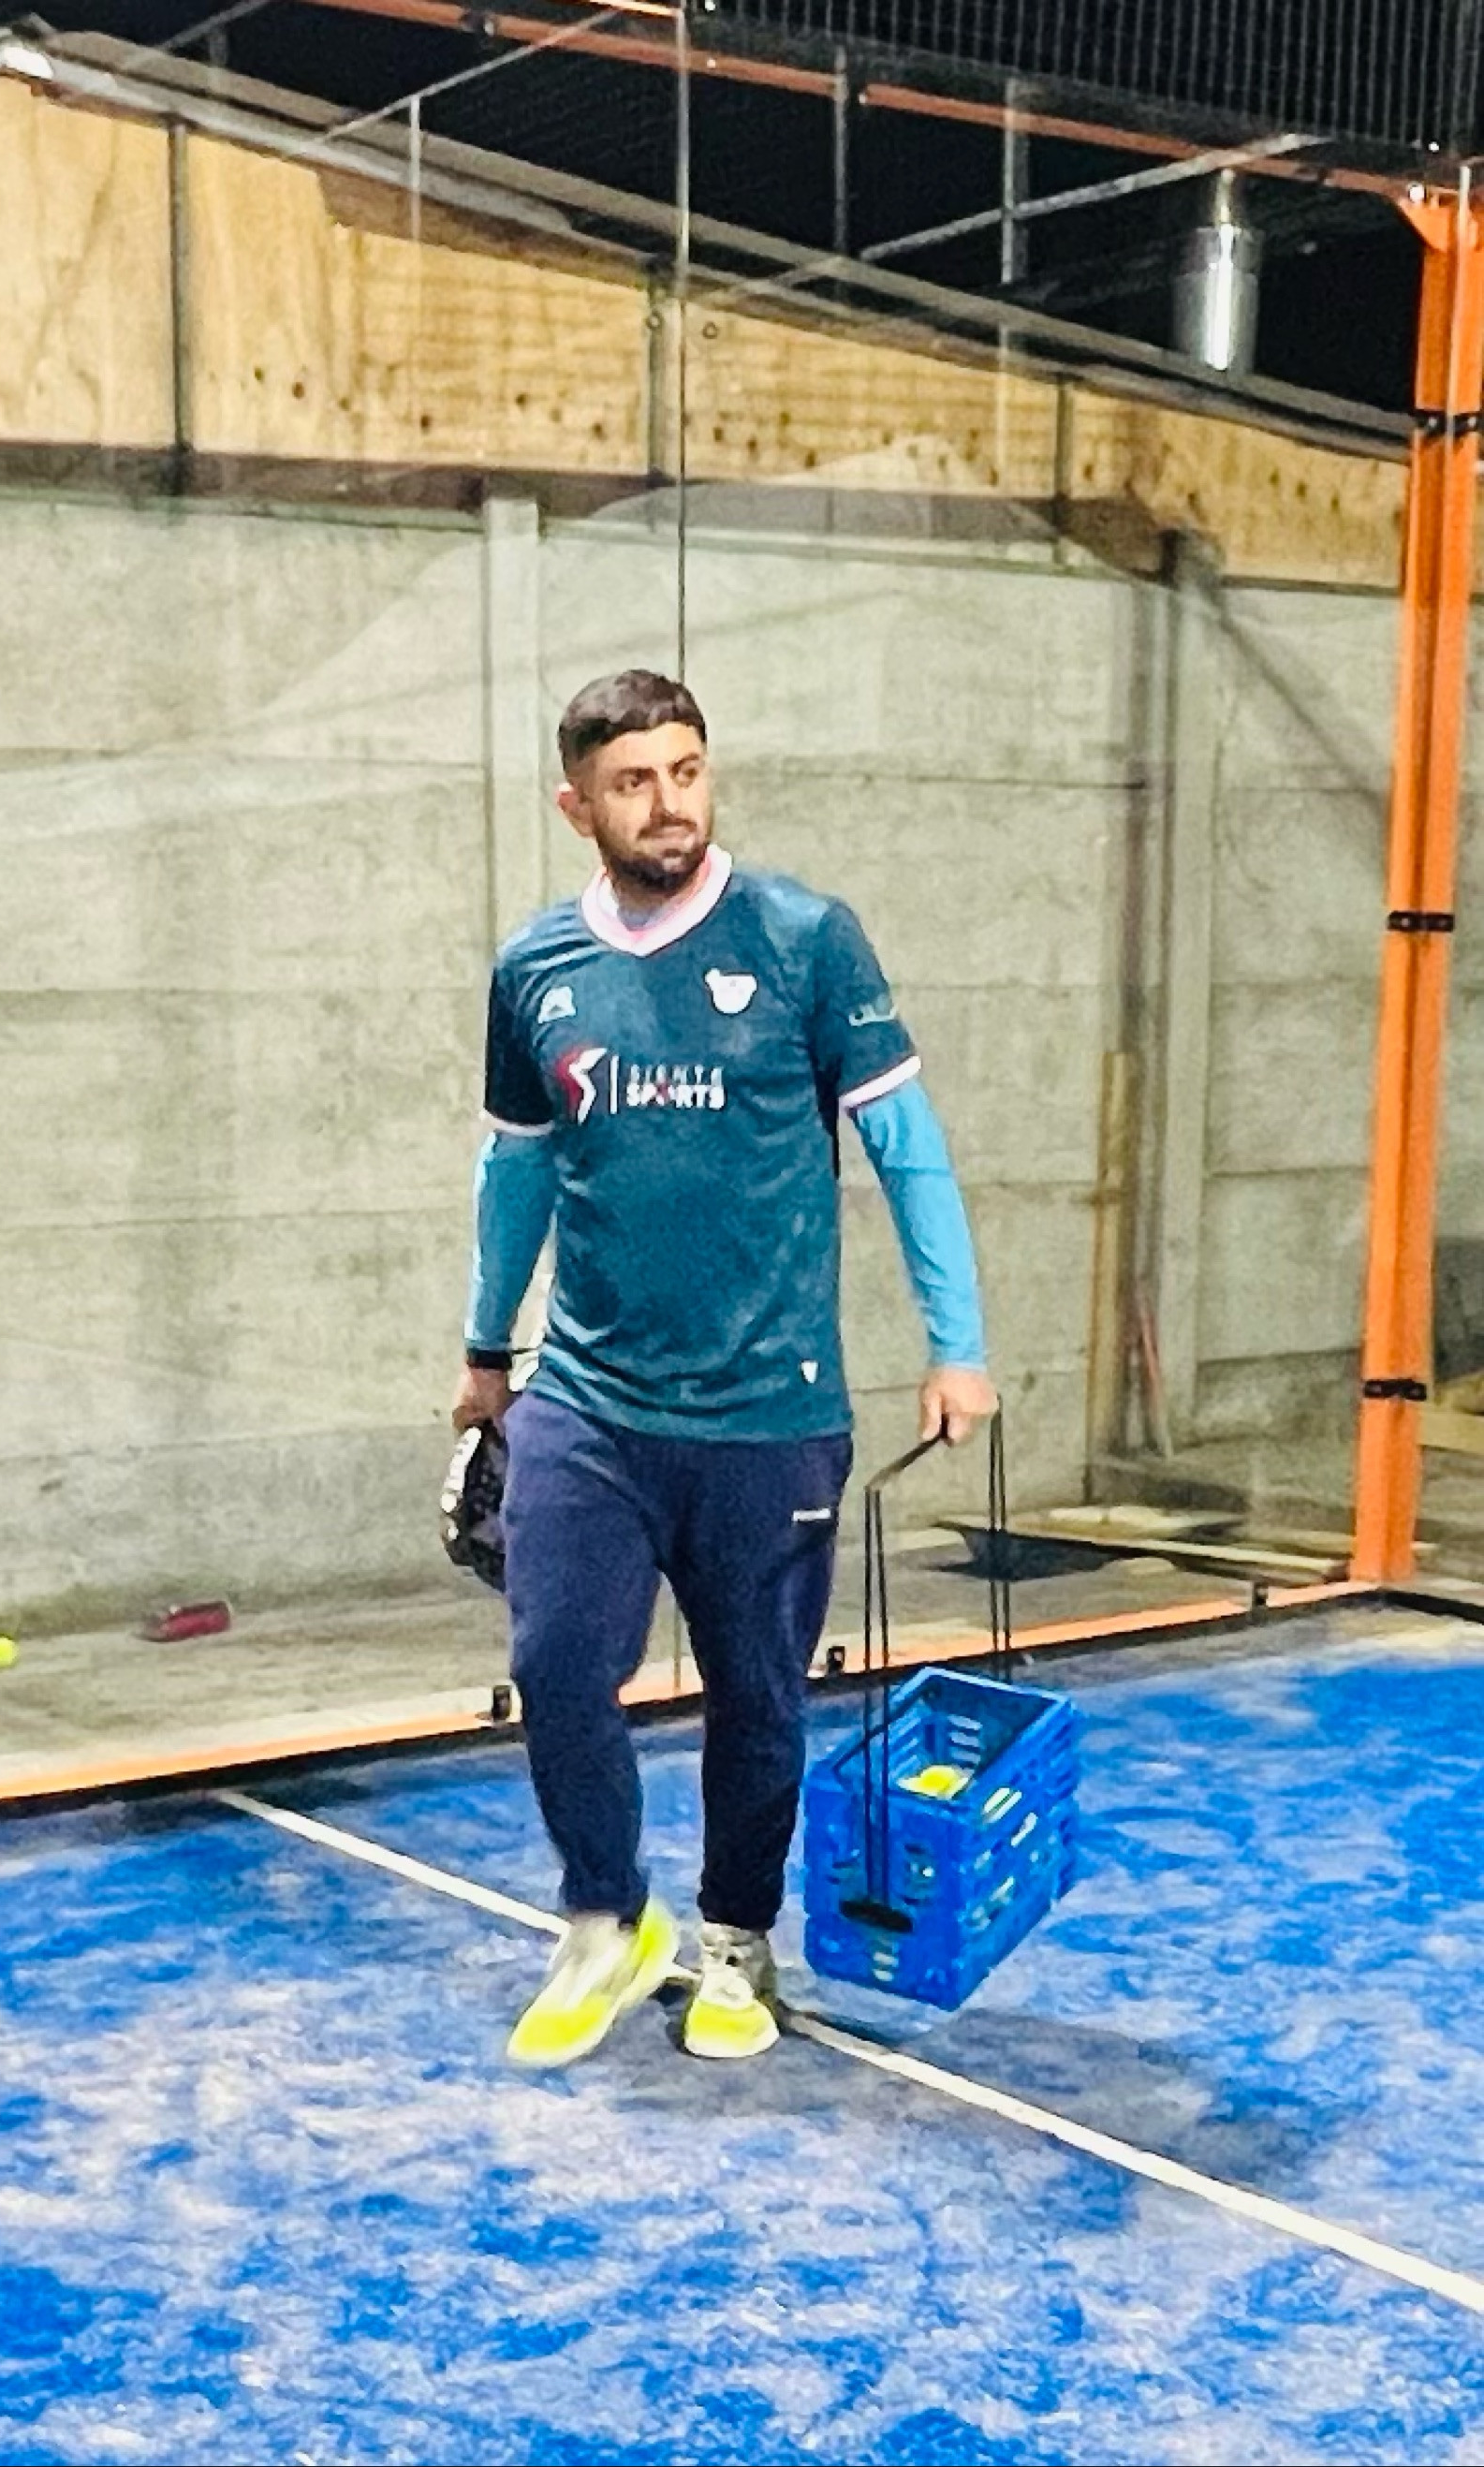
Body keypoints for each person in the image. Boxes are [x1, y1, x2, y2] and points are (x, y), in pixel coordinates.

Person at [451, 669, 996, 2068]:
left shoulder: (807, 939)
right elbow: (517, 1172)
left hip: (770, 1412)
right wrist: (485, 1347)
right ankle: (603, 1919)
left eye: (686, 772)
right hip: (589, 1401)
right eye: (633, 782)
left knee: (758, 1699)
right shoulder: (534, 970)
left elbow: (908, 1151)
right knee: (557, 1665)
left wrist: (958, 1345)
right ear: (577, 805)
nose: (668, 803)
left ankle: (737, 1943)